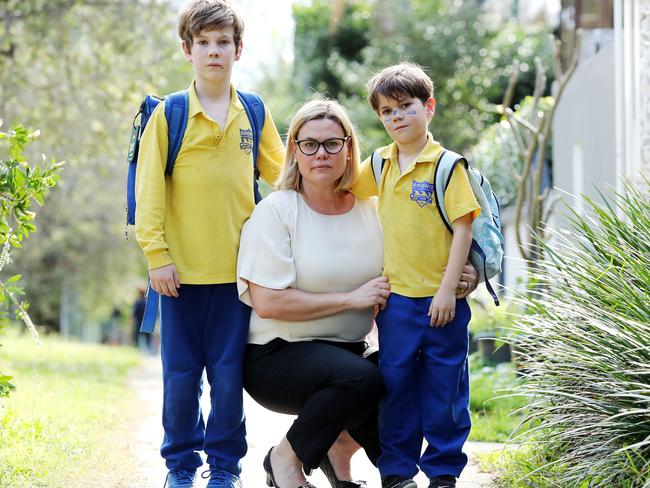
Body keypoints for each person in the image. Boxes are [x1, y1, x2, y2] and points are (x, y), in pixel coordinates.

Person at [237, 99, 479, 488]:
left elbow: (418, 255)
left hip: (347, 350)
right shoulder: (277, 211)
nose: (321, 154)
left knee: (400, 379)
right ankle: (283, 460)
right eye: (309, 144)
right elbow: (268, 302)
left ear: (350, 148)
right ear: (294, 150)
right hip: (277, 354)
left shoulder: (374, 207)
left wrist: (460, 277)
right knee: (363, 380)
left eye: (333, 143)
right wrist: (351, 299)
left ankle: (364, 462)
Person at [134, 1, 284, 486]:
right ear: (187, 49)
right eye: (204, 42)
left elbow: (285, 179)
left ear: (238, 50)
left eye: (223, 42)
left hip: (238, 278)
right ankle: (180, 466)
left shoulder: (254, 112)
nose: (214, 51)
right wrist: (157, 257)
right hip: (178, 277)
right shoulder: (170, 114)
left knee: (227, 380)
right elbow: (149, 194)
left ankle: (223, 468)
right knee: (180, 382)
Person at [353, 63, 481, 488]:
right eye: (386, 112)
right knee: (397, 389)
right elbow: (343, 192)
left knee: (446, 391)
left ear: (428, 107)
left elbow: (463, 227)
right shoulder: (379, 163)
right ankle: (396, 472)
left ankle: (443, 472)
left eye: (405, 107)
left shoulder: (447, 166)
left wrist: (448, 292)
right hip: (397, 305)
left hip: (445, 302)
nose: (396, 118)